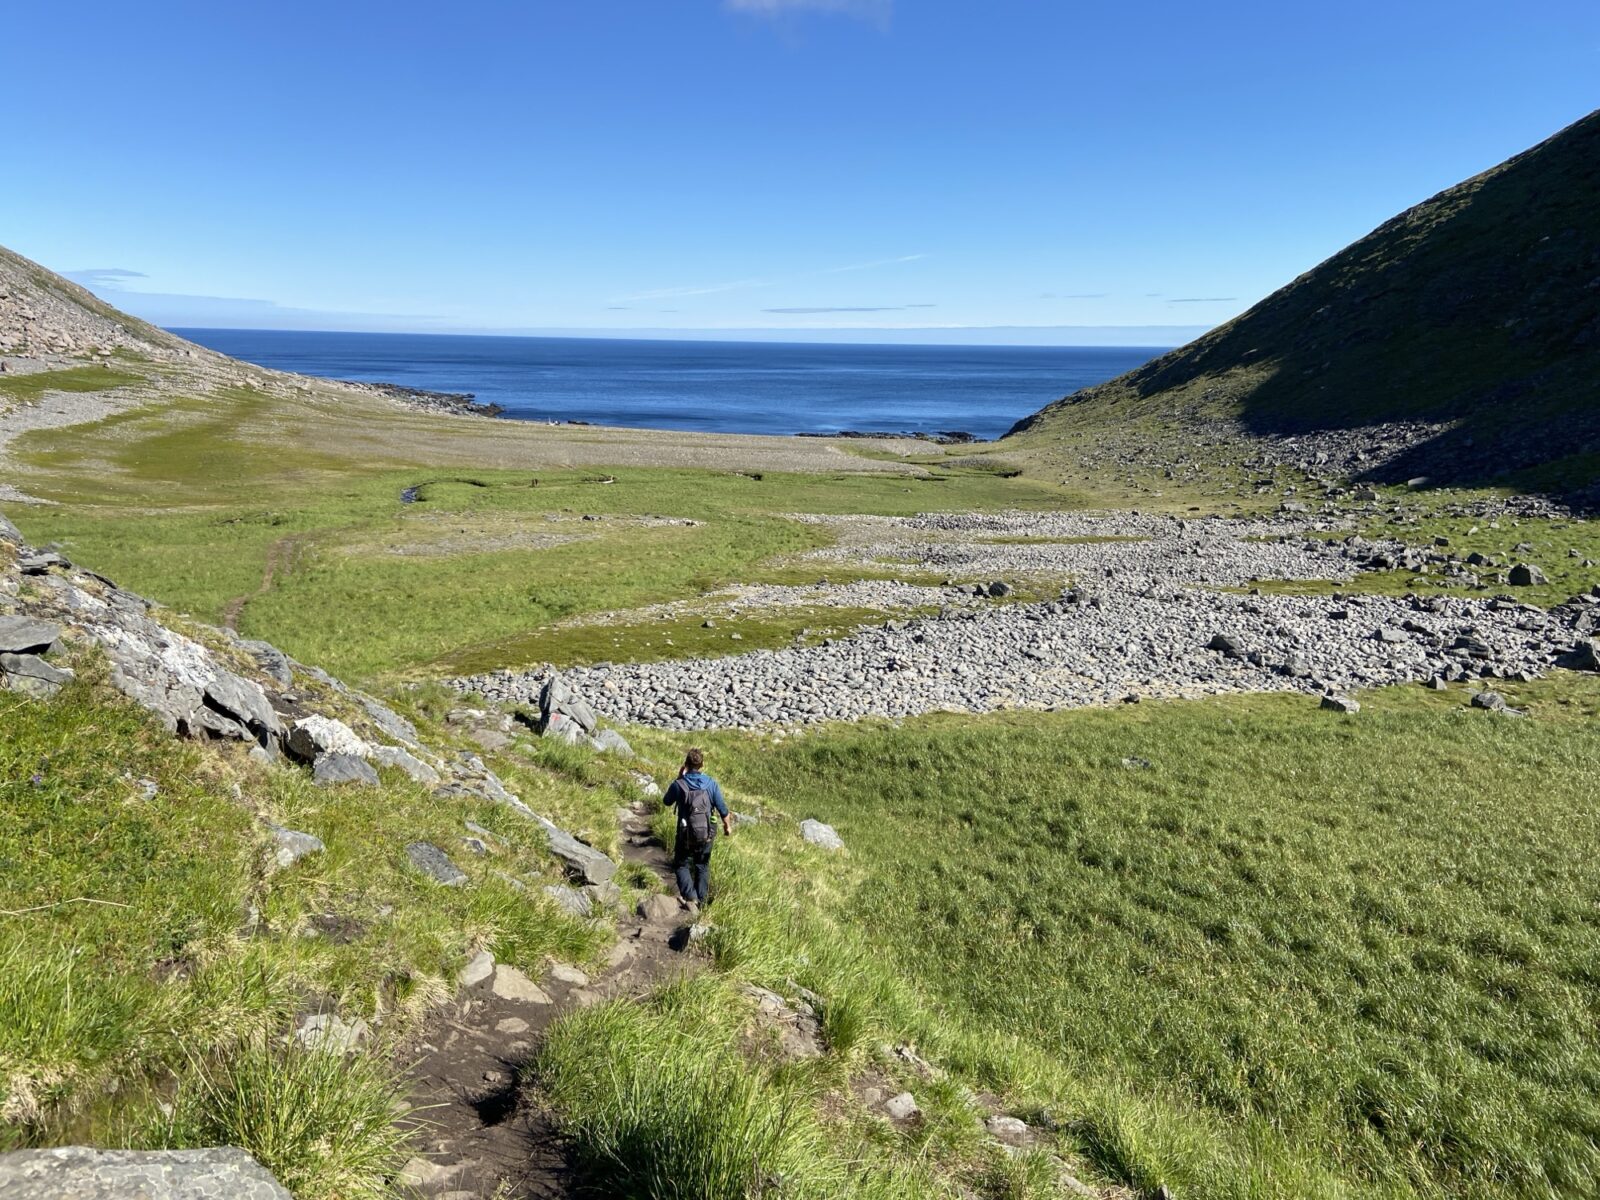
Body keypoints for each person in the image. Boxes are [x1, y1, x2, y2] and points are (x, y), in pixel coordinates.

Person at [662, 747, 732, 915]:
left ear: (686, 764)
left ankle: (691, 897)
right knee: (702, 865)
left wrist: (679, 778)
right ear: (702, 765)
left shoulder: (679, 784)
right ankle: (702, 901)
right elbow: (723, 809)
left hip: (684, 834)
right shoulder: (711, 784)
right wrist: (727, 826)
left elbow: (666, 801)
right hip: (707, 835)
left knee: (681, 864)